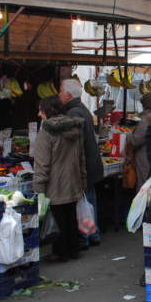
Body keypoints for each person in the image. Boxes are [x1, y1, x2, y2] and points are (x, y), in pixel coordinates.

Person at [32, 96, 87, 263]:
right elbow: (81, 157)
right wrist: (82, 178)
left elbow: (42, 164)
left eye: (41, 110)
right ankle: (73, 249)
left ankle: (60, 252)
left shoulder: (46, 132)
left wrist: (38, 189)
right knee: (70, 215)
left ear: (47, 111)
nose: (39, 114)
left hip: (55, 183)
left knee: (58, 218)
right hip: (73, 180)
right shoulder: (75, 129)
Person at [59, 79, 104, 247]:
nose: (59, 94)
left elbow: (75, 143)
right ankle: (93, 234)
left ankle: (86, 236)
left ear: (68, 95)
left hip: (83, 165)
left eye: (61, 91)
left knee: (83, 202)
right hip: (90, 163)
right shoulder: (82, 109)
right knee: (89, 201)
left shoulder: (73, 113)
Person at [129, 92, 151, 184]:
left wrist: (129, 136)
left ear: (145, 105)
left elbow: (136, 141)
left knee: (145, 187)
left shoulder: (147, 120)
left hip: (146, 159)